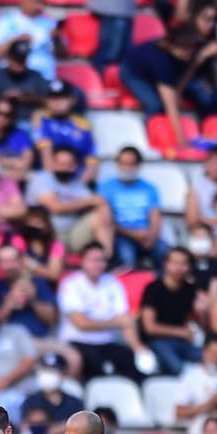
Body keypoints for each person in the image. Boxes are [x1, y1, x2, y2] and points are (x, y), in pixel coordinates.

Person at [57, 244, 150, 381]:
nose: (98, 264)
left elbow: (125, 320)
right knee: (97, 368)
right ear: (82, 261)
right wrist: (114, 322)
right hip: (77, 341)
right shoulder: (71, 284)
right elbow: (81, 323)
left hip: (107, 343)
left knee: (134, 365)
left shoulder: (113, 283)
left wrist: (138, 349)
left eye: (101, 260)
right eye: (93, 260)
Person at [27, 147, 112, 254]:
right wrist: (88, 202)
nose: (64, 168)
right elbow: (55, 207)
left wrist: (96, 202)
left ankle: (106, 257)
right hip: (49, 235)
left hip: (73, 233)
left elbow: (99, 201)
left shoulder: (77, 184)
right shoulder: (42, 179)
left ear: (74, 166)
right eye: (61, 163)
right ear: (53, 163)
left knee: (102, 209)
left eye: (68, 164)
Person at [99, 147, 170, 270]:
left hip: (146, 236)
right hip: (120, 236)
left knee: (168, 255)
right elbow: (106, 222)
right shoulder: (105, 187)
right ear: (117, 164)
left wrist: (151, 237)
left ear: (138, 165)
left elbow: (155, 217)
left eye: (131, 163)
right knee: (127, 259)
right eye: (123, 163)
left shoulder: (150, 188)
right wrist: (135, 234)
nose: (126, 167)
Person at [139, 247, 200, 376]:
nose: (179, 268)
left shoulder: (190, 290)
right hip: (157, 341)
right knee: (178, 369)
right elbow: (149, 327)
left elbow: (190, 319)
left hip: (183, 342)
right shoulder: (153, 289)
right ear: (166, 264)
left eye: (184, 263)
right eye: (175, 263)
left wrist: (203, 312)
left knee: (208, 358)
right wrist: (180, 332)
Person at [0, 0, 58, 81]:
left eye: (42, 2)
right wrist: (14, 41)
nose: (39, 6)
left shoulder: (50, 23)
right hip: (15, 80)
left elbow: (64, 55)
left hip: (44, 80)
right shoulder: (6, 22)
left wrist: (57, 39)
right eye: (35, 1)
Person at [32, 81, 97, 183]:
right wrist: (58, 186)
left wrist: (78, 186)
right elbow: (46, 157)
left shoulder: (83, 125)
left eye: (62, 98)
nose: (57, 103)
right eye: (53, 98)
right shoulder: (42, 119)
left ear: (73, 100)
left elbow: (92, 162)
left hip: (77, 180)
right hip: (49, 180)